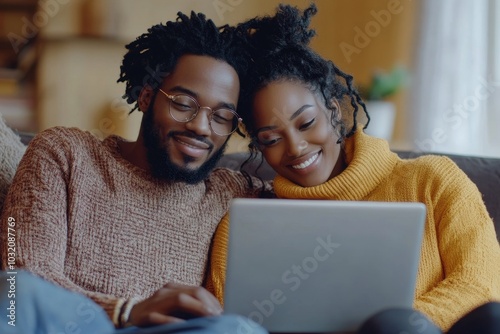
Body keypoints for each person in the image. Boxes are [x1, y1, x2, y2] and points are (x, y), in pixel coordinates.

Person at [207, 4, 500, 334]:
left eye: (306, 123)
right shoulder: (246, 226)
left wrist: (391, 326)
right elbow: (228, 322)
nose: (296, 147)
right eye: (271, 138)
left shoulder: (433, 181)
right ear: (258, 146)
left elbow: (480, 286)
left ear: (333, 110)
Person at [0, 9, 268, 334]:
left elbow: (325, 199)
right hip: (77, 327)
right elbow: (18, 280)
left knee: (238, 330)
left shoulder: (234, 194)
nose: (201, 127)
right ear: (146, 96)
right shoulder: (65, 154)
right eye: (183, 104)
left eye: (222, 117)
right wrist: (126, 311)